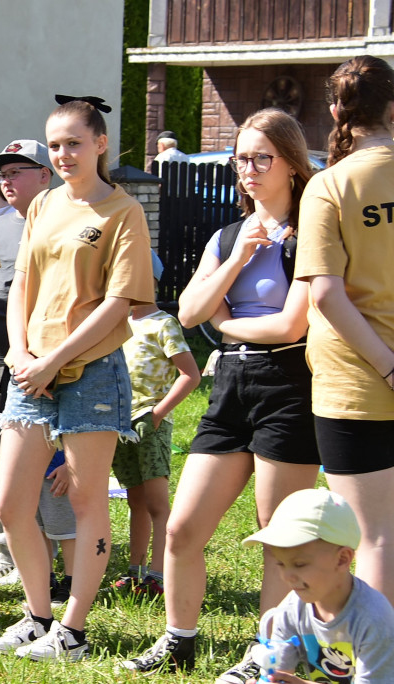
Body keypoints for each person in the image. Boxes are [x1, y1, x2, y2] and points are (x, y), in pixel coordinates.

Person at [122, 108, 319, 682]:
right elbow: (187, 312)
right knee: (182, 529)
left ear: (291, 163)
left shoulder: (311, 232)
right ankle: (178, 640)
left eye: (264, 157)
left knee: (277, 536)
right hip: (230, 383)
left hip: (290, 384)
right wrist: (236, 260)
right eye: (242, 158)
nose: (250, 169)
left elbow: (290, 327)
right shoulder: (229, 236)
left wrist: (226, 323)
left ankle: (270, 654)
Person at [0, 95, 153, 662]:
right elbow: (21, 287)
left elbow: (119, 304)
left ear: (101, 144)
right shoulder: (44, 205)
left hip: (93, 375)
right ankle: (37, 617)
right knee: (11, 503)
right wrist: (20, 353)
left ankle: (73, 633)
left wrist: (54, 361)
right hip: (30, 370)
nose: (63, 154)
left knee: (85, 504)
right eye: (54, 145)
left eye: (74, 143)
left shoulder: (123, 212)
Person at [296, 55, 394, 608]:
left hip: (356, 384)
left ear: (335, 111)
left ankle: (378, 664)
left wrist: (387, 366)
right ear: (393, 109)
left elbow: (327, 293)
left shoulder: (330, 185)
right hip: (363, 379)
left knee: (375, 535)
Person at [0, 139, 55, 584]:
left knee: (39, 462)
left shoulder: (64, 224)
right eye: (2, 174)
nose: (7, 180)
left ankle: (47, 549)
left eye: (18, 171)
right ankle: (2, 552)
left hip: (42, 366)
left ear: (45, 175)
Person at [110, 251, 200, 597]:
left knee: (157, 504)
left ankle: (159, 575)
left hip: (149, 423)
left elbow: (190, 375)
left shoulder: (164, 323)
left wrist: (158, 413)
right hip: (121, 425)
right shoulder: (118, 325)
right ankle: (135, 571)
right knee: (135, 501)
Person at [242, 488, 394, 683]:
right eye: (281, 563)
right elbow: (279, 674)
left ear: (342, 559)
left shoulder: (373, 619)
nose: (287, 576)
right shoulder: (290, 610)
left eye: (300, 564)